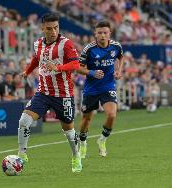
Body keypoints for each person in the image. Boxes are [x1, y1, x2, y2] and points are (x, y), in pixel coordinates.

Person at [17, 13, 82, 172]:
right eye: (49, 28)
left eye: (56, 28)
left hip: (63, 94)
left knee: (68, 131)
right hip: (43, 93)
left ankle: (76, 156)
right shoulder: (38, 43)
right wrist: (27, 71)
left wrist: (58, 67)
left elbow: (75, 64)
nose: (53, 31)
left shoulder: (66, 44)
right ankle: (22, 154)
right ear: (42, 28)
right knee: (24, 120)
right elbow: (36, 58)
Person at [77, 21, 124, 158]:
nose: (102, 35)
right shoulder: (89, 49)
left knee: (112, 114)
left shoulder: (116, 46)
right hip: (91, 89)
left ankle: (102, 140)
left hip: (108, 86)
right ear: (95, 34)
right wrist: (91, 73)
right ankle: (83, 143)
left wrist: (119, 71)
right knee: (86, 119)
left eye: (105, 33)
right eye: (99, 33)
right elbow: (78, 68)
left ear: (110, 34)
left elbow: (121, 57)